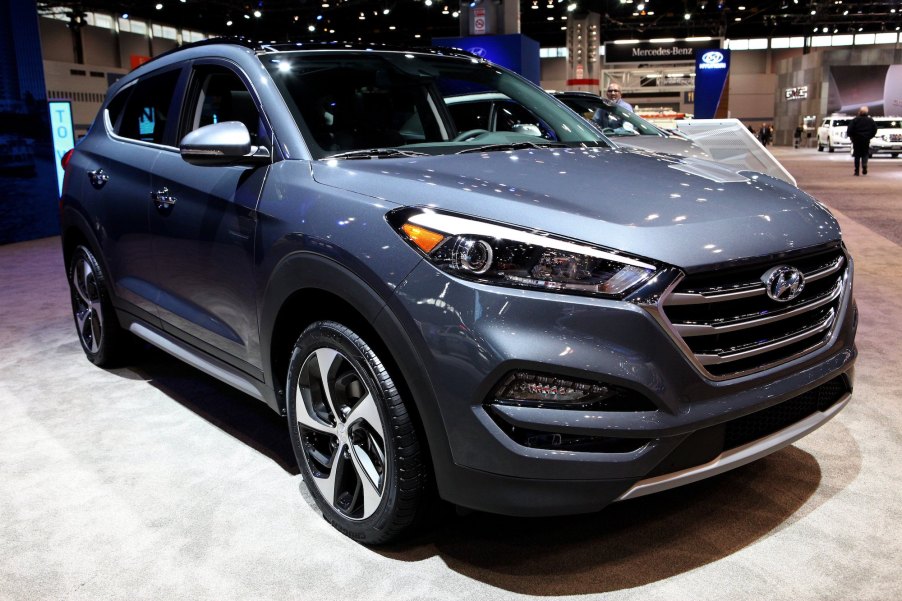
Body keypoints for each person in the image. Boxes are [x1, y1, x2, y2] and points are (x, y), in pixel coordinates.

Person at [847, 106, 878, 175]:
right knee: (865, 154)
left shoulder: (855, 120)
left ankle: (857, 171)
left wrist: (852, 137)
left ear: (859, 112)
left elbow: (850, 130)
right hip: (866, 140)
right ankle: (864, 166)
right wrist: (870, 136)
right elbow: (875, 129)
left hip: (857, 140)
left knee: (857, 155)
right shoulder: (870, 120)